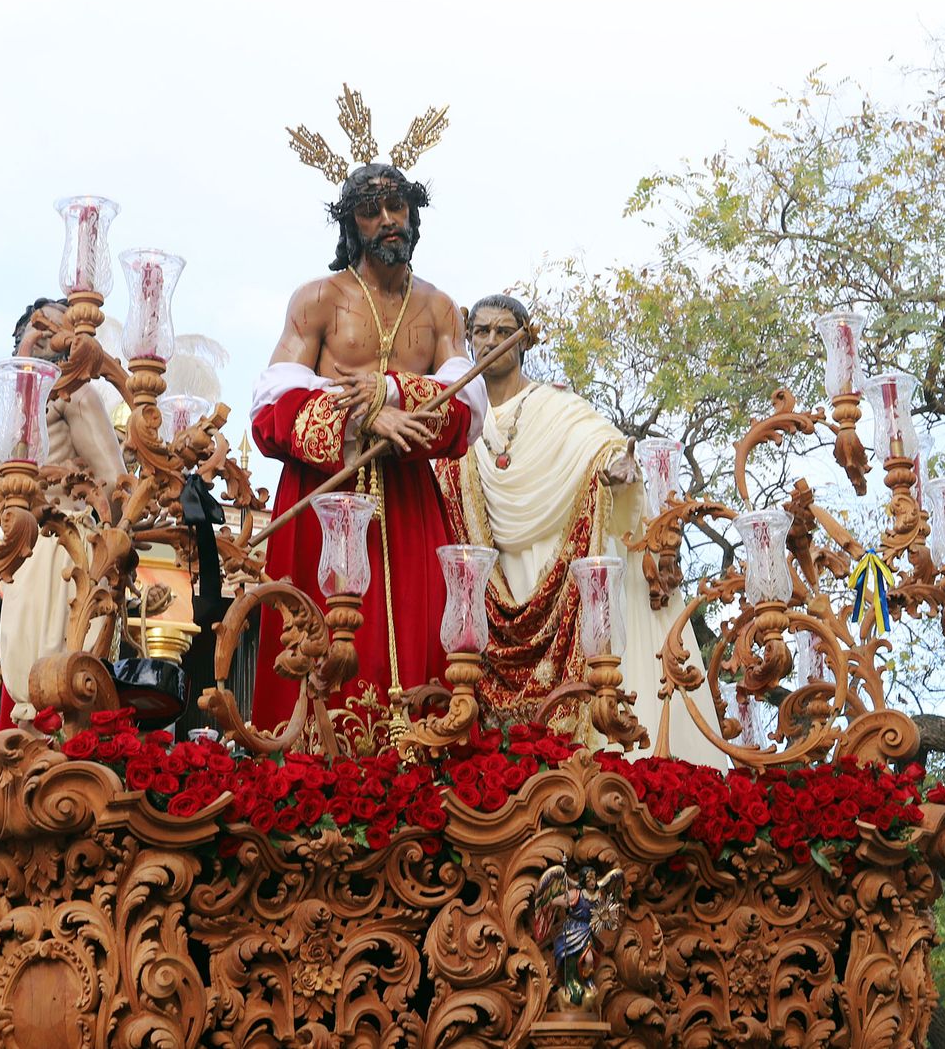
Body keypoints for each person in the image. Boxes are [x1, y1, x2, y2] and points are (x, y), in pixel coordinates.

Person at [251, 163, 485, 745]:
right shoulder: (318, 301)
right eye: (370, 210)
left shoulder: (439, 311)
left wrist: (396, 391)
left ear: (413, 213)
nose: (387, 221)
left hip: (407, 501)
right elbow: (269, 406)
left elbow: (467, 411)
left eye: (396, 207)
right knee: (314, 642)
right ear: (350, 224)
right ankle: (307, 760)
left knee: (415, 624)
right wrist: (360, 413)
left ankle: (415, 759)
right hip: (325, 495)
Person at [438, 295, 726, 767]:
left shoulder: (554, 404)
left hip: (558, 569)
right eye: (481, 331)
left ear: (524, 339)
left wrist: (617, 468)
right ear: (468, 338)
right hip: (493, 578)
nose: (491, 340)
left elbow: (602, 445)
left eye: (503, 331)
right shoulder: (459, 420)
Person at [0, 298, 127, 724]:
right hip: (23, 555)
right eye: (30, 332)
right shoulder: (18, 405)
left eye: (50, 331)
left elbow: (115, 484)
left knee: (54, 685)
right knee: (22, 686)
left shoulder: (74, 394)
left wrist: (68, 483)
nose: (38, 340)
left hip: (61, 554)